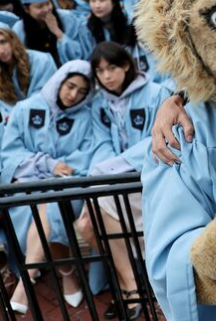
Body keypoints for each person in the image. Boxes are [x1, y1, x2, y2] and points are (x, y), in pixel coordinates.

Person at [76, 42, 171, 319]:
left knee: (97, 203)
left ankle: (130, 287)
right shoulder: (100, 103)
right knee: (86, 224)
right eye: (100, 70)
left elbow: (158, 140)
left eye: (112, 68)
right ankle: (132, 280)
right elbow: (101, 141)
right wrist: (108, 167)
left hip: (150, 175)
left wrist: (115, 167)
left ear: (127, 65)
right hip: (115, 177)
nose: (106, 76)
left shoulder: (157, 93)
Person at [1, 61, 94, 314]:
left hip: (65, 190)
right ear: (59, 81)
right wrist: (47, 165)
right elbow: (8, 153)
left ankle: (26, 280)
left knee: (52, 205)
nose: (73, 94)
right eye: (70, 86)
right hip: (27, 186)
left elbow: (85, 157)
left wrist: (56, 175)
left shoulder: (87, 118)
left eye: (81, 91)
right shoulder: (25, 108)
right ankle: (67, 273)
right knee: (41, 209)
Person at [11, 0, 87, 66]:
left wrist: (57, 32)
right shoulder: (19, 29)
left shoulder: (67, 18)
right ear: (26, 9)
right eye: (39, 7)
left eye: (48, 3)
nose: (46, 9)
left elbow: (79, 53)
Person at [0, 22, 57, 118]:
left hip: (45, 117)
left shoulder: (42, 61)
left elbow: (45, 96)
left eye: (3, 42)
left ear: (12, 39)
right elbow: (5, 107)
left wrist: (19, 115)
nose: (1, 51)